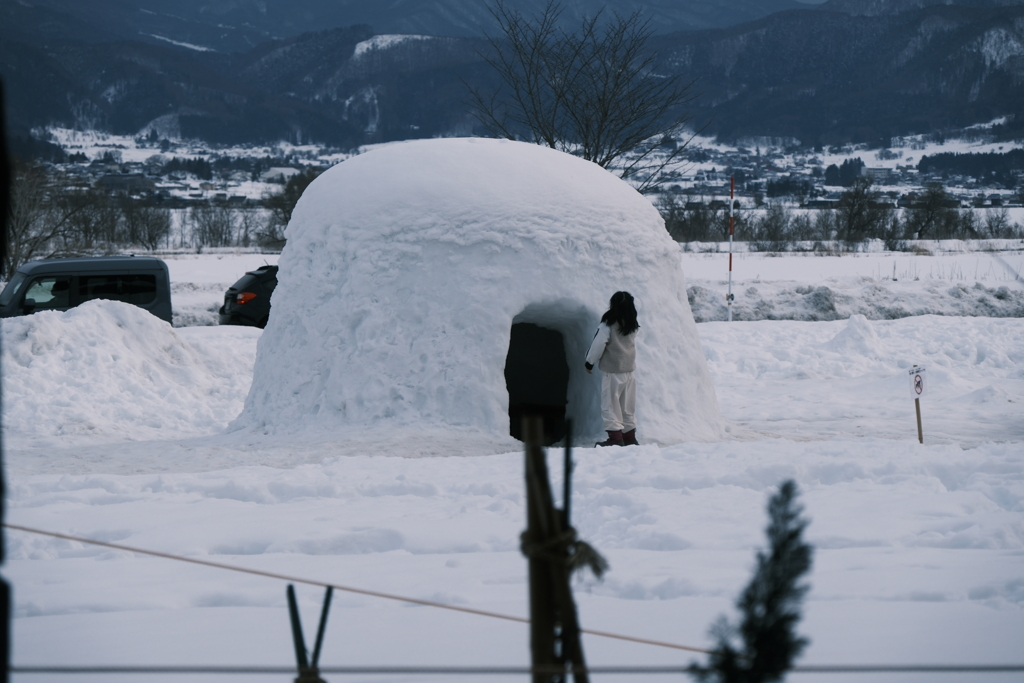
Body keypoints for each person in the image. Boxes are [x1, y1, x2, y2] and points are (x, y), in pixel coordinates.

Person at [585, 291, 639, 447]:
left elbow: (598, 345)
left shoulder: (608, 324)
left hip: (613, 373)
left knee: (610, 405)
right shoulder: (632, 325)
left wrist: (589, 362)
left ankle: (615, 440)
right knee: (627, 407)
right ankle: (629, 438)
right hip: (629, 373)